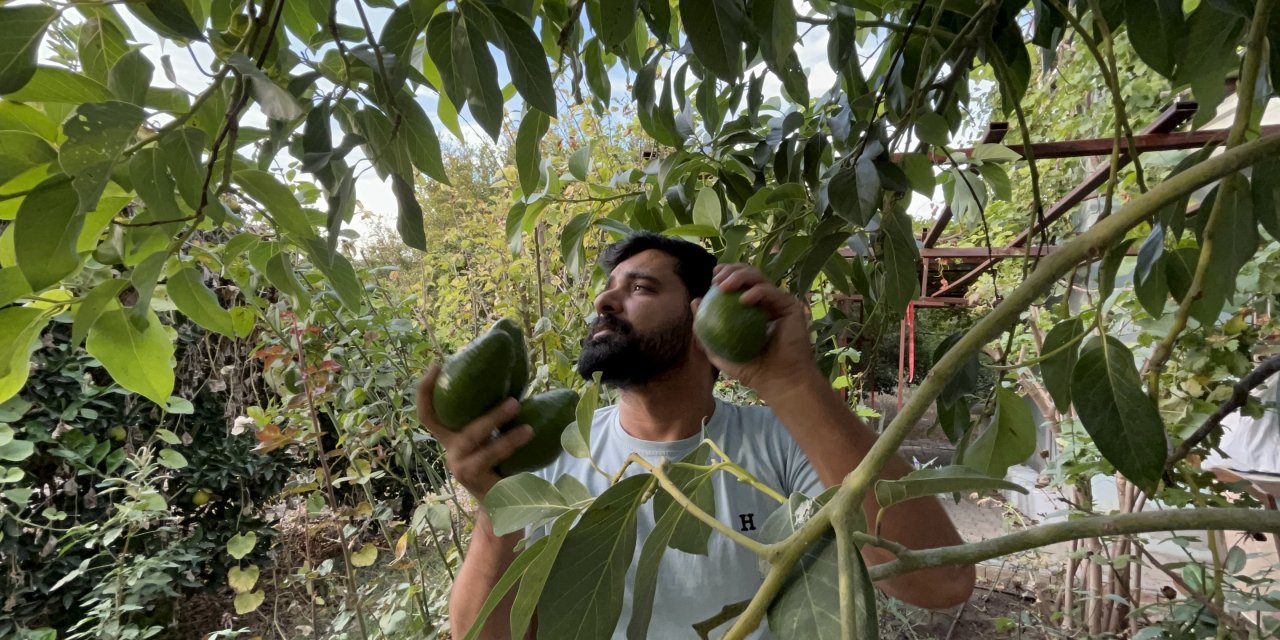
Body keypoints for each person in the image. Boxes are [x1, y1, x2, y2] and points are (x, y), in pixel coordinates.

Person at [417, 232, 975, 639]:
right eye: (607, 289)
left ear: (702, 314)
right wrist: (497, 508)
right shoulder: (553, 454)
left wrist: (789, 379)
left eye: (638, 287)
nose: (603, 302)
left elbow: (941, 581)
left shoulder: (783, 442)